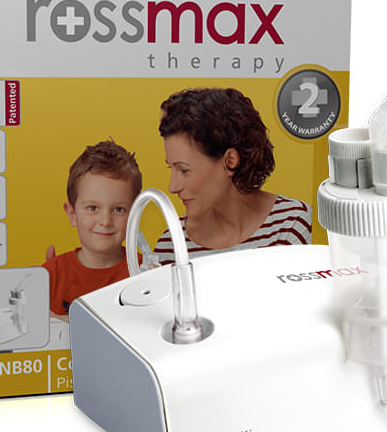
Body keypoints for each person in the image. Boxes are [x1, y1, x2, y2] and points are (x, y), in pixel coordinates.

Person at [153, 88, 311, 265]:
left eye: (183, 170)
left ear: (230, 161)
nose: (173, 187)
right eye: (171, 168)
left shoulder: (292, 224)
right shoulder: (171, 246)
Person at [43, 141, 142, 321]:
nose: (105, 221)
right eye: (92, 208)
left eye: (118, 209)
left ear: (135, 214)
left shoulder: (144, 273)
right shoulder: (50, 276)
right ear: (72, 214)